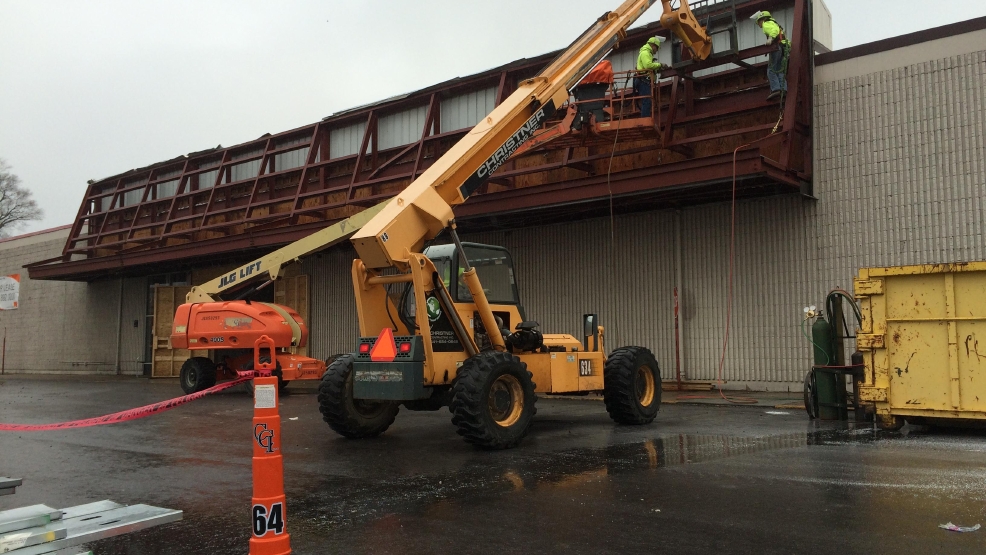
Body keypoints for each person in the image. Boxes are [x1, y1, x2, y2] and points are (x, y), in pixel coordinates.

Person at [752, 11, 791, 101]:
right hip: (782, 48)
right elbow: (783, 37)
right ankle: (783, 89)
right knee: (779, 70)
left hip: (776, 48)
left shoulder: (767, 23)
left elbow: (774, 31)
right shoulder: (775, 24)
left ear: (763, 19)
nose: (759, 25)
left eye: (758, 22)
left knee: (771, 70)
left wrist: (770, 38)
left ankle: (776, 89)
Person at [635, 36, 664, 118]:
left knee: (647, 101)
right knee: (647, 101)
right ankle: (645, 119)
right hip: (643, 80)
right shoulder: (645, 53)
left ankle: (645, 118)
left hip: (643, 80)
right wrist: (660, 65)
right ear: (653, 45)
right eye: (657, 48)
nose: (657, 50)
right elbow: (648, 65)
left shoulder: (647, 53)